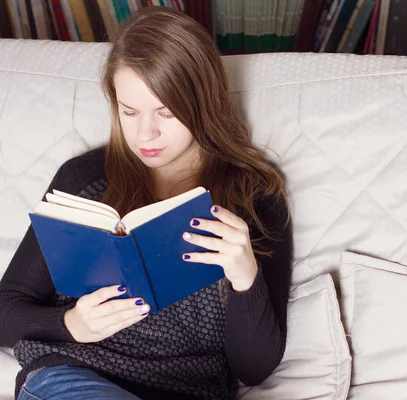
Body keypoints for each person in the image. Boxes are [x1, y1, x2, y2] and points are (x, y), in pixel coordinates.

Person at [0, 6, 292, 400]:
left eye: (166, 112)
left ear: (203, 103)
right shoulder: (83, 179)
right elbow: (6, 310)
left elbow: (255, 369)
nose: (145, 133)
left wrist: (245, 277)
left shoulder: (254, 196)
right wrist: (70, 324)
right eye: (129, 111)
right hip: (72, 378)